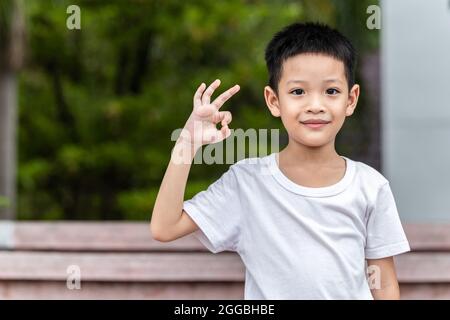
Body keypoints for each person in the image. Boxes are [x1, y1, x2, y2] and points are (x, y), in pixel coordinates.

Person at [150, 22, 410, 300]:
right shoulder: (247, 182)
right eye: (298, 92)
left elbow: (383, 284)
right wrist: (187, 143)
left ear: (351, 99)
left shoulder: (370, 186)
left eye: (331, 91)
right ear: (274, 101)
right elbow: (165, 227)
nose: (315, 105)